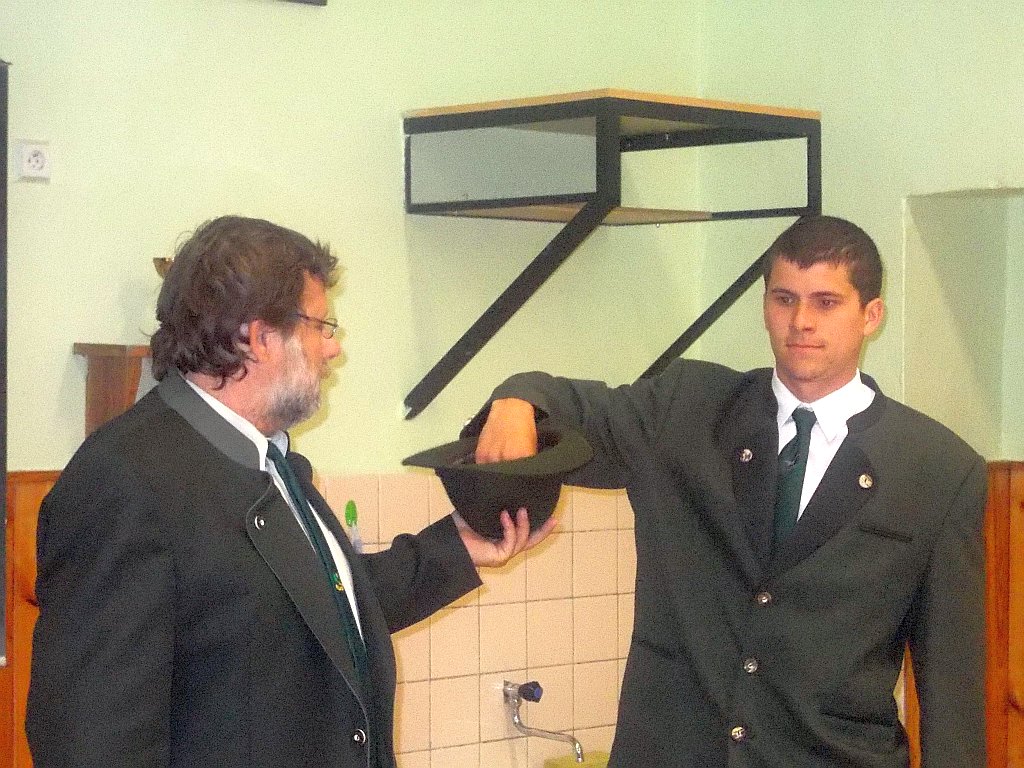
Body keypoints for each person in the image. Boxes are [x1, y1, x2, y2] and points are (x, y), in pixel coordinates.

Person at [26, 215, 554, 768]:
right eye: (321, 327)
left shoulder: (270, 460)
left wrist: (454, 549)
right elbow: (89, 742)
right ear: (258, 338)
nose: (333, 349)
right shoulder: (125, 481)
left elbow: (317, 613)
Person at [470, 215, 986, 767]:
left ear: (871, 315)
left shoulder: (937, 469)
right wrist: (516, 399)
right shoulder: (686, 411)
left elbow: (952, 690)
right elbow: (574, 412)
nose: (801, 322)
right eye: (784, 299)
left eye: (826, 303)